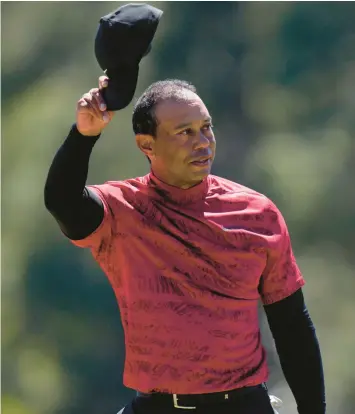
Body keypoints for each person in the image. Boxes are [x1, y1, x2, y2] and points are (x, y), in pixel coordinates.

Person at [44, 75, 326, 414]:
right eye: (184, 132)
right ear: (147, 145)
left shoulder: (258, 213)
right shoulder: (122, 211)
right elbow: (63, 201)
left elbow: (292, 324)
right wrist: (84, 134)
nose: (202, 142)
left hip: (244, 405)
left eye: (206, 128)